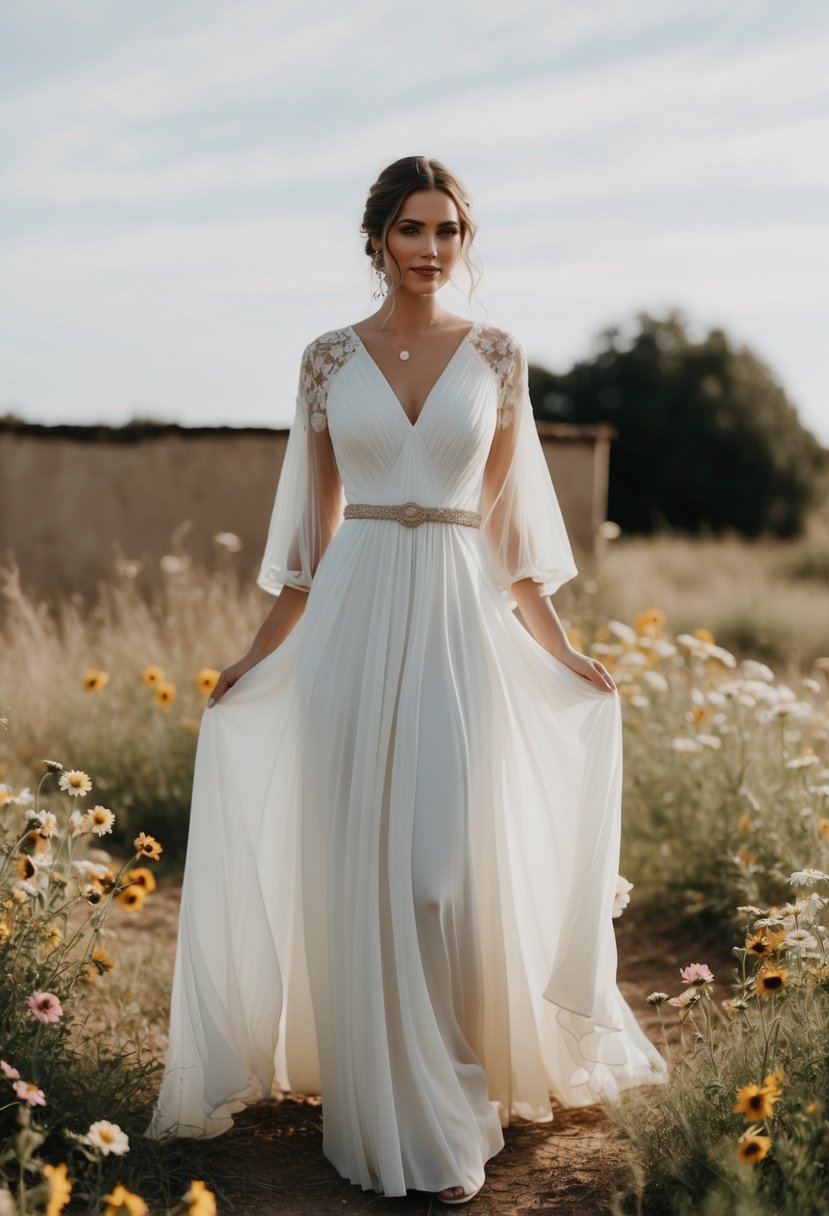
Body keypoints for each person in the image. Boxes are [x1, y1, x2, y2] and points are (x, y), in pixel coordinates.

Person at [145, 155, 666, 1206]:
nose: (432, 250)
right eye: (413, 230)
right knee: (360, 866)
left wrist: (561, 650)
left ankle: (450, 1083)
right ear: (377, 236)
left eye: (450, 232)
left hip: (458, 624)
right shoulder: (326, 359)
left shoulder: (500, 356)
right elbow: (308, 536)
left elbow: (516, 535)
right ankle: (388, 1108)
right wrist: (255, 654)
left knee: (438, 871)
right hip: (351, 620)